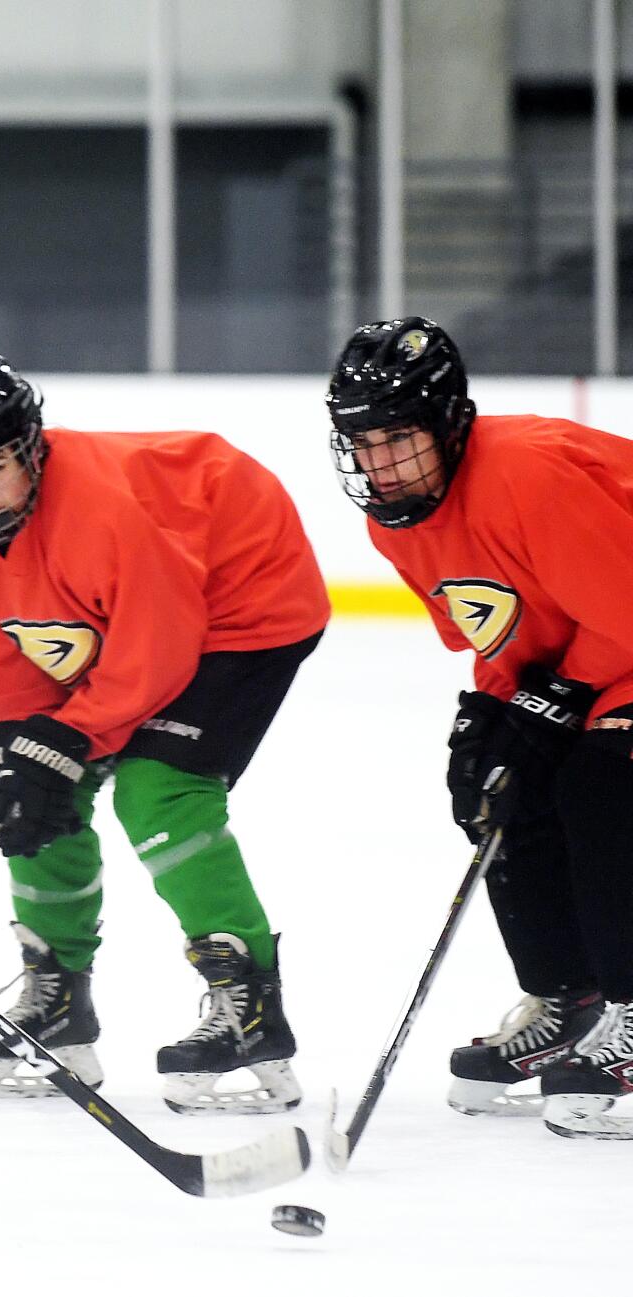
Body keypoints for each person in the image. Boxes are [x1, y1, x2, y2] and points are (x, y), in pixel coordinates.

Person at [0, 355, 327, 1114]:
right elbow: (0, 655)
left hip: (244, 600)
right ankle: (57, 992)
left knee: (156, 789)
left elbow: (158, 649)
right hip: (130, 617)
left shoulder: (104, 504)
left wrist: (67, 737)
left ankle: (250, 1004)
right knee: (38, 793)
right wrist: (20, 751)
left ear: (31, 449)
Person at [328, 317, 633, 1138]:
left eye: (399, 438)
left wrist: (561, 696)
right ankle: (568, 995)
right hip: (603, 653)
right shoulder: (395, 520)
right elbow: (501, 632)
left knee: (602, 782)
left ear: (448, 421)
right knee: (497, 785)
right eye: (362, 442)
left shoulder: (527, 474)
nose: (380, 463)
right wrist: (502, 710)